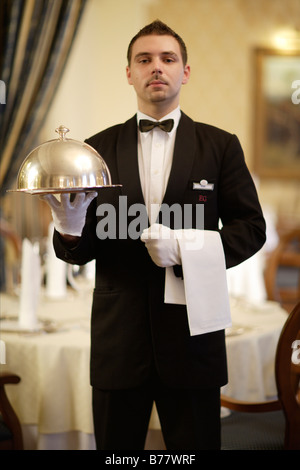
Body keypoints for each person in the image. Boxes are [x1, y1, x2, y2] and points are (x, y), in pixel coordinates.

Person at [42, 20, 266, 450]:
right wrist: (69, 231)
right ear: (129, 73)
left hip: (193, 341)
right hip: (118, 341)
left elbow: (251, 229)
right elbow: (80, 249)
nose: (156, 67)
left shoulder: (221, 146)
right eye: (144, 59)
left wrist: (184, 248)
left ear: (185, 71)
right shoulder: (94, 150)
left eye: (168, 58)